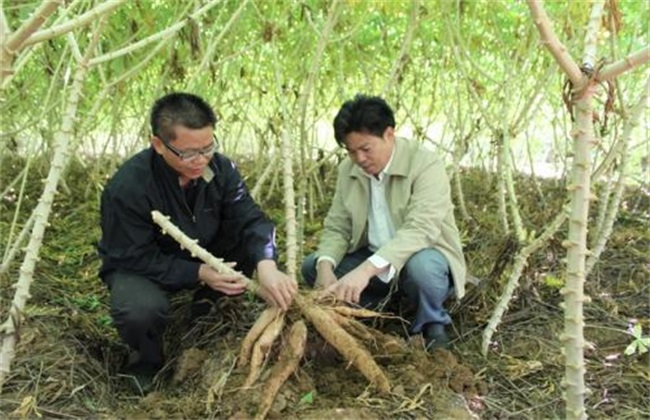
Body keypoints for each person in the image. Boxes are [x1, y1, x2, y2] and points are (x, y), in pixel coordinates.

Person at [98, 92, 298, 394]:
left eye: (208, 147)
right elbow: (132, 256)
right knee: (140, 308)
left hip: (207, 250)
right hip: (146, 266)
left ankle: (205, 315)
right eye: (189, 154)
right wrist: (198, 273)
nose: (201, 160)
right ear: (158, 145)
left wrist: (267, 264)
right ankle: (145, 363)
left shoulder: (220, 169)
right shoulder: (128, 188)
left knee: (251, 245)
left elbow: (252, 220)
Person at [301, 94, 466, 351]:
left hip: (421, 255)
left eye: (366, 149)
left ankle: (432, 323)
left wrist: (365, 271)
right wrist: (325, 267)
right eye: (351, 151)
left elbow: (420, 230)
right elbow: (338, 226)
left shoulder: (424, 163)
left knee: (423, 269)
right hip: (373, 256)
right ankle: (379, 307)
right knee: (312, 266)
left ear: (389, 134)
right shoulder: (349, 170)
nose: (360, 159)